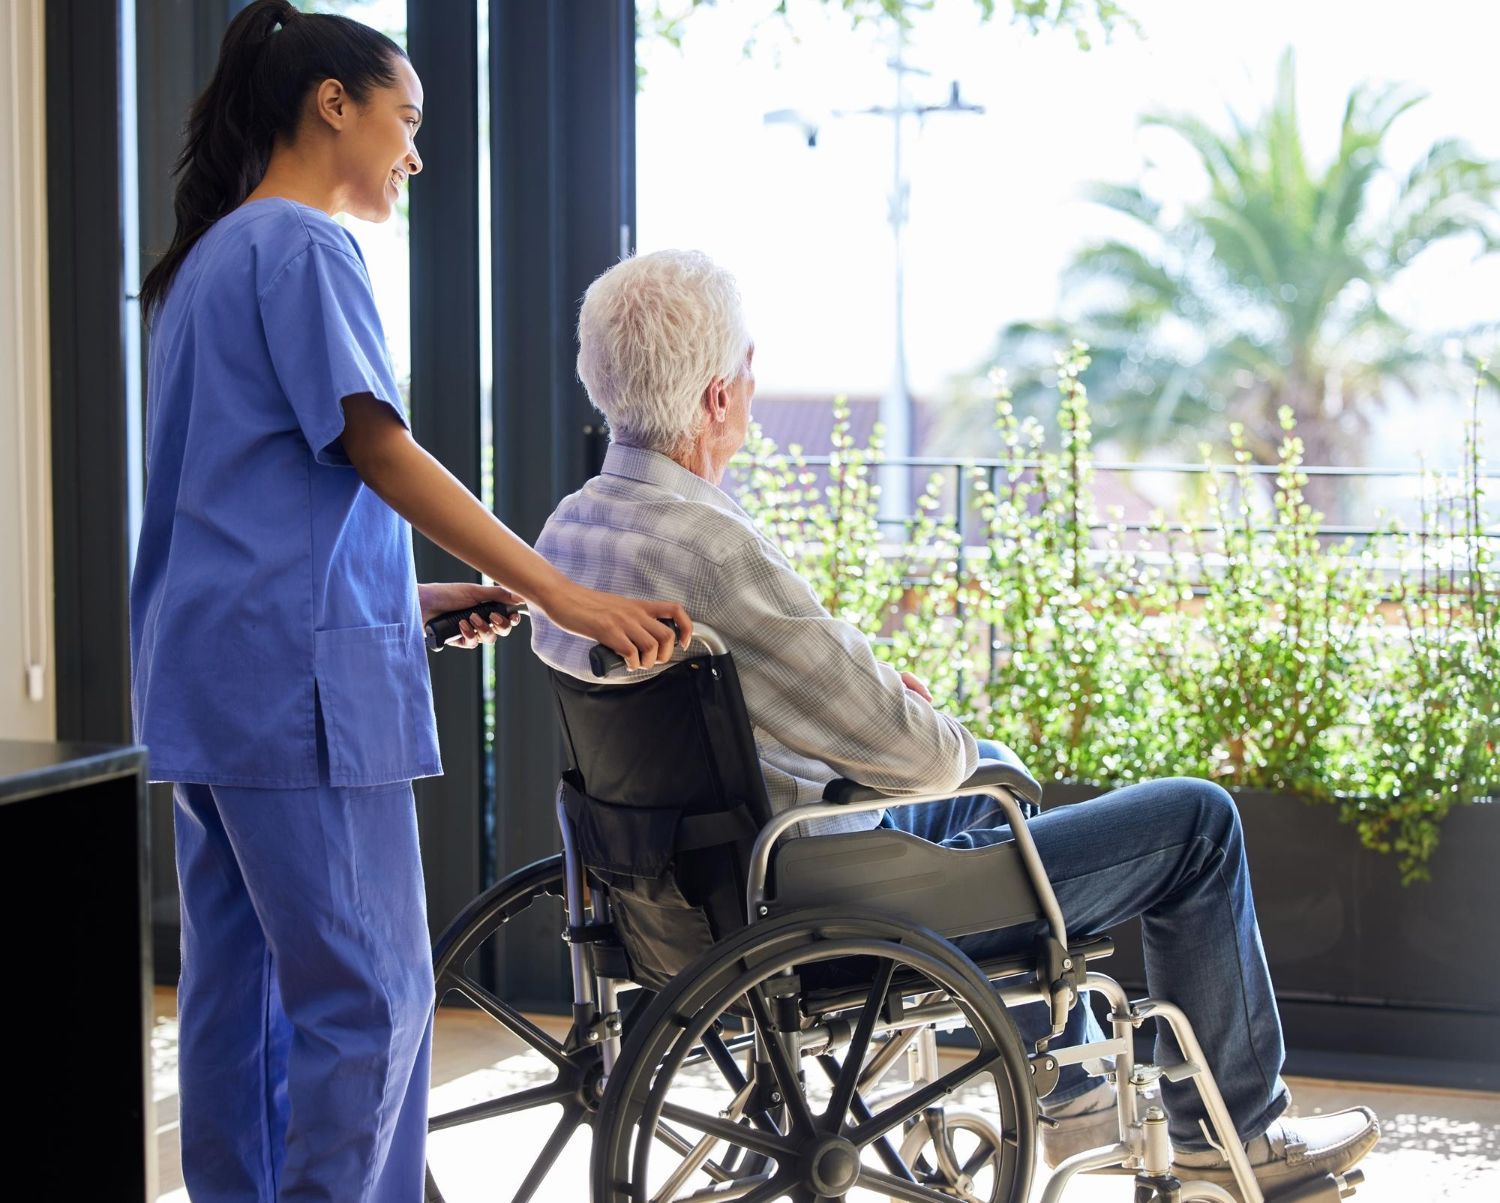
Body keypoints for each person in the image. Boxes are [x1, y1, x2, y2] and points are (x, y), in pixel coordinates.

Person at [529, 248, 1381, 1199]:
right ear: (719, 397)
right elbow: (920, 755)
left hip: (670, 886)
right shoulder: (715, 549)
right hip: (810, 893)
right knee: (1192, 821)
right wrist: (920, 720)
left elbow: (720, 716)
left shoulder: (571, 532)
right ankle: (1234, 1133)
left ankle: (1067, 1082)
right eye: (749, 368)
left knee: (991, 779)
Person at [129, 4, 692, 1199]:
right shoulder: (305, 248)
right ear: (332, 104)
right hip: (295, 694)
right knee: (373, 998)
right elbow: (379, 450)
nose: (417, 156)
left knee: (241, 996)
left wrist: (408, 596)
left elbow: (243, 504)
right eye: (409, 119)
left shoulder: (206, 262)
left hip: (213, 680)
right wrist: (564, 594)